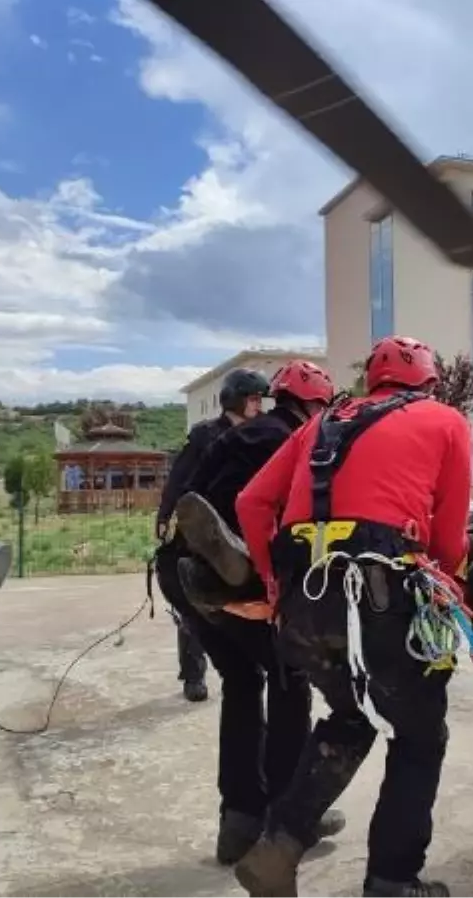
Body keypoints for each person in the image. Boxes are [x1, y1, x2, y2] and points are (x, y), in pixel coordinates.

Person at [232, 335, 473, 898]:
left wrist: (272, 582)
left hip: (305, 600)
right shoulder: (443, 420)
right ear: (429, 383)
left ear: (373, 381)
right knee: (418, 734)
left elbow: (251, 503)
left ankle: (278, 848)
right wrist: (451, 588)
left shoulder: (317, 426)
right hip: (382, 593)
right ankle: (393, 879)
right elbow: (448, 536)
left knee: (352, 714)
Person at [168, 359, 348, 865]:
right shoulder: (303, 440)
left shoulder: (229, 436)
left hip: (184, 577)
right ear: (315, 404)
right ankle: (284, 818)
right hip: (245, 575)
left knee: (244, 684)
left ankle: (239, 818)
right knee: (290, 677)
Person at [153, 367, 270, 702]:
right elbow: (179, 481)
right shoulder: (205, 434)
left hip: (235, 535)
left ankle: (243, 663)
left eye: (259, 399)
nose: (258, 406)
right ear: (234, 400)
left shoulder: (257, 435)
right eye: (252, 399)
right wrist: (165, 517)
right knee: (194, 603)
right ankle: (192, 673)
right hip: (200, 535)